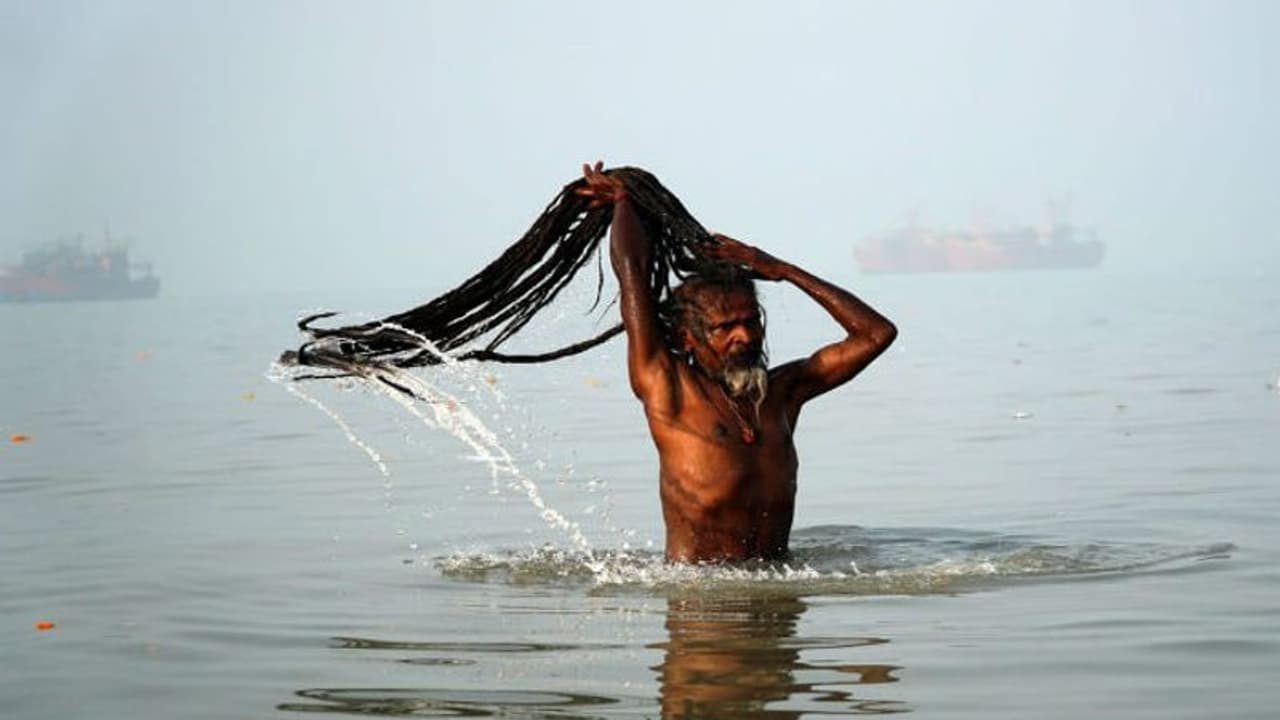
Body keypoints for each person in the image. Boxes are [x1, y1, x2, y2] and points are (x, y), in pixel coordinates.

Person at [576, 162, 898, 563]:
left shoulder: (781, 394)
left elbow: (876, 334)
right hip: (703, 612)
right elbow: (633, 274)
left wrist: (783, 271)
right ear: (685, 339)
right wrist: (623, 201)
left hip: (780, 606)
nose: (744, 336)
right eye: (725, 327)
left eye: (750, 322)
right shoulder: (666, 385)